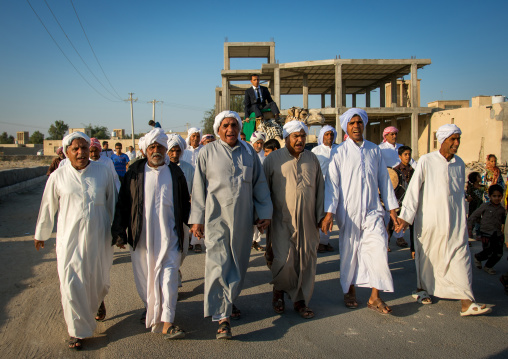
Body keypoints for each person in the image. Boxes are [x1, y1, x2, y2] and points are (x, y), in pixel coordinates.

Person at [189, 110, 272, 339]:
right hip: (216, 218)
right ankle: (223, 318)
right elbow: (198, 188)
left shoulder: (249, 153)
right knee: (217, 263)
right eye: (225, 125)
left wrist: (264, 212)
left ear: (239, 128)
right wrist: (196, 219)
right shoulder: (207, 152)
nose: (230, 129)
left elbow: (259, 184)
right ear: (218, 129)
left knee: (238, 264)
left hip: (243, 220)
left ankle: (228, 301)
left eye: (234, 125)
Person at [397, 124, 492, 316]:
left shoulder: (459, 163)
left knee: (461, 257)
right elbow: (413, 190)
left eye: (458, 139)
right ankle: (421, 288)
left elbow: (458, 195)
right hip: (430, 222)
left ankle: (467, 301)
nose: (456, 143)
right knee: (427, 260)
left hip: (455, 223)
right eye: (453, 139)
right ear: (442, 140)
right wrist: (406, 217)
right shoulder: (426, 161)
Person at [34, 132, 117, 350]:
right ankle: (77, 332)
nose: (81, 152)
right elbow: (47, 206)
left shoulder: (103, 172)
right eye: (75, 149)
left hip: (99, 236)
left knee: (98, 280)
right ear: (66, 152)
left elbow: (113, 202)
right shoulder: (58, 177)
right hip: (69, 238)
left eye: (84, 147)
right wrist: (41, 234)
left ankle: (97, 302)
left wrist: (118, 231)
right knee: (70, 282)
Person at [111, 128, 190, 338]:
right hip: (142, 239)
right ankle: (152, 308)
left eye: (160, 147)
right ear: (146, 150)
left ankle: (167, 321)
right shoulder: (134, 174)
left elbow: (184, 204)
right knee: (146, 280)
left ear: (166, 149)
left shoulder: (176, 173)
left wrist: (196, 225)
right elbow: (123, 204)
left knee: (169, 277)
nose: (156, 151)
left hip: (170, 237)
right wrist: (119, 232)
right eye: (152, 147)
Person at [322, 108, 398, 314]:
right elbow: (333, 184)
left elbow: (384, 179)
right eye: (351, 123)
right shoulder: (339, 152)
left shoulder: (375, 150)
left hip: (373, 210)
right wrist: (329, 213)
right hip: (349, 212)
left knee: (379, 249)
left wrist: (392, 209)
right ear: (346, 127)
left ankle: (375, 296)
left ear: (364, 125)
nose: (356, 126)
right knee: (350, 252)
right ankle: (350, 289)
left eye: (359, 122)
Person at [264, 120, 325, 318]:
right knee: (283, 260)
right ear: (286, 138)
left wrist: (321, 216)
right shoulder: (273, 159)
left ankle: (300, 301)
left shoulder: (312, 159)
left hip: (307, 221)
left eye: (302, 136)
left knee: (305, 262)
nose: (299, 140)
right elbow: (263, 190)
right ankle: (279, 291)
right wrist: (263, 216)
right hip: (281, 220)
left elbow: (321, 189)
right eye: (295, 136)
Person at [166, 134, 202, 253]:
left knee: (183, 245)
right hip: (166, 211)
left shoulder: (188, 168)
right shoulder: (162, 169)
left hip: (183, 211)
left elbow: (195, 190)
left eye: (177, 151)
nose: (175, 154)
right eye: (172, 151)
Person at [312, 125, 339, 253]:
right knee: (322, 214)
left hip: (337, 186)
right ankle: (320, 242)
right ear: (322, 136)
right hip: (320, 186)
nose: (329, 137)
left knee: (331, 214)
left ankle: (325, 241)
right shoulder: (316, 151)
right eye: (327, 134)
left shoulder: (339, 149)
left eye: (331, 134)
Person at [468, 184, 506, 275]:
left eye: (499, 196)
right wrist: (470, 227)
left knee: (498, 253)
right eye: (494, 196)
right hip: (486, 233)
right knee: (488, 252)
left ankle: (488, 266)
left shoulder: (502, 209)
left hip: (497, 233)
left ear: (502, 196)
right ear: (489, 196)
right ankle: (478, 257)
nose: (497, 198)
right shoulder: (485, 206)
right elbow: (474, 216)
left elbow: (504, 221)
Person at [391, 145, 415, 255]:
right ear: (400, 156)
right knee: (392, 222)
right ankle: (386, 242)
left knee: (412, 223)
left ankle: (413, 247)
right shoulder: (395, 170)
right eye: (405, 154)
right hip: (398, 201)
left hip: (410, 201)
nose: (408, 157)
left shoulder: (414, 170)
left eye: (409, 154)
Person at [466, 172, 484, 240]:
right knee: (471, 218)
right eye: (478, 176)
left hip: (480, 205)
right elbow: (467, 194)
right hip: (473, 204)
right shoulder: (471, 187)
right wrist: (468, 198)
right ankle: (470, 231)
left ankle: (478, 234)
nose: (480, 178)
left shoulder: (482, 187)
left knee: (479, 219)